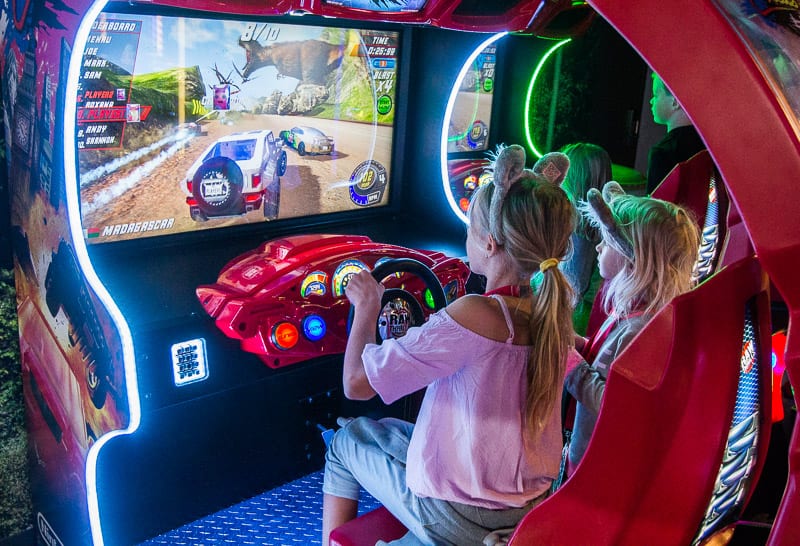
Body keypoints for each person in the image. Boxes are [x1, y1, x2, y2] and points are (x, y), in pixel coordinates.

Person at [321, 144, 576, 545]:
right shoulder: (554, 315)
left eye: (470, 230)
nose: (467, 238)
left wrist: (368, 307)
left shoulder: (475, 313)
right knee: (387, 430)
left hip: (458, 519)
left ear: (490, 243)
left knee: (344, 440)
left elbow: (356, 384)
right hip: (527, 509)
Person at [564, 181, 701, 473]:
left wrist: (566, 361)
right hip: (591, 453)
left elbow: (611, 402)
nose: (599, 246)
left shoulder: (641, 328)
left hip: (594, 465)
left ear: (633, 256)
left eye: (608, 240)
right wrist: (573, 341)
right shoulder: (638, 313)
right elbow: (606, 362)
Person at [558, 142, 612, 336]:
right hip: (588, 310)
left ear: (572, 178)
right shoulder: (600, 224)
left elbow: (572, 285)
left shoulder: (578, 230)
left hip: (573, 316)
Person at [646, 72, 706, 194]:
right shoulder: (708, 145)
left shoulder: (663, 153)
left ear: (675, 102)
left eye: (656, 95)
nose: (651, 101)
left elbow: (654, 210)